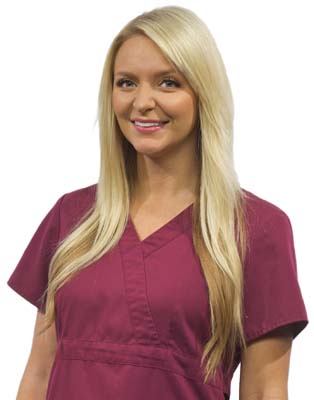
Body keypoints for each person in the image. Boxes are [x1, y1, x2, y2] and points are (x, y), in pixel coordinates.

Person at [7, 5, 308, 400]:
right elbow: (38, 374)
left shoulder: (255, 228)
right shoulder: (72, 218)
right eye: (126, 83)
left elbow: (265, 391)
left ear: (204, 93)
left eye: (168, 83)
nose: (142, 101)